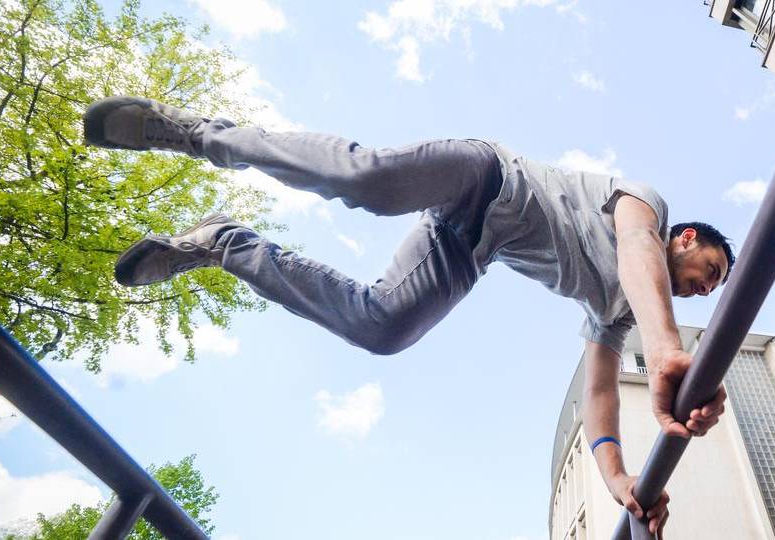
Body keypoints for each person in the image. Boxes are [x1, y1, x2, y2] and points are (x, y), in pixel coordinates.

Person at [83, 96, 736, 536]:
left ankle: (224, 243)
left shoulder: (619, 312)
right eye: (713, 269)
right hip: (486, 178)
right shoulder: (646, 209)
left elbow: (599, 391)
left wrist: (619, 478)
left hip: (468, 247)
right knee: (368, 182)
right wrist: (667, 346)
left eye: (714, 289)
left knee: (385, 326)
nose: (708, 287)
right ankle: (199, 134)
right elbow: (634, 249)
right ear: (686, 239)